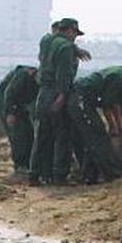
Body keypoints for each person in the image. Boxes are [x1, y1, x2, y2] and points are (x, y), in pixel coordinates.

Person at [34, 17, 86, 185]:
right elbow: (64, 74)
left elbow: (52, 42)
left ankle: (36, 174)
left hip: (43, 93)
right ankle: (59, 176)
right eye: (75, 34)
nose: (75, 38)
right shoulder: (66, 48)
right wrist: (62, 96)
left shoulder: (47, 41)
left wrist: (75, 49)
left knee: (42, 136)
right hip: (56, 93)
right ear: (69, 31)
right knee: (63, 136)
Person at [0, 64, 40, 172]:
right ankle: (20, 165)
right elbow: (9, 93)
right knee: (18, 133)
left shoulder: (43, 82)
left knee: (28, 132)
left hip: (20, 103)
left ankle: (28, 163)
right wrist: (10, 113)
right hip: (5, 101)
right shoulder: (24, 76)